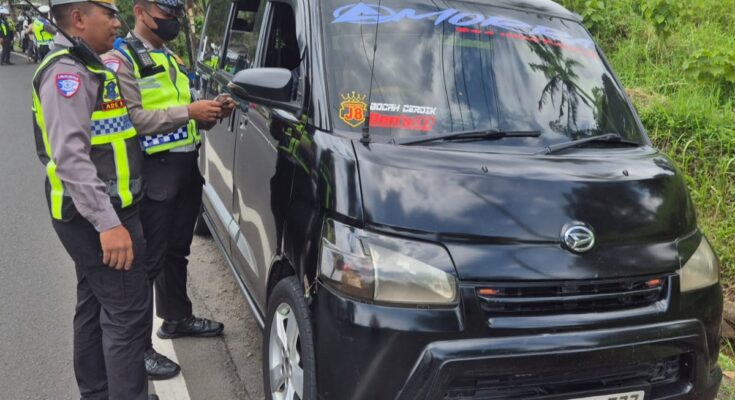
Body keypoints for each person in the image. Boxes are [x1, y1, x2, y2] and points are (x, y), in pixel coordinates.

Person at [102, 0, 232, 381]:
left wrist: (210, 111)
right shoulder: (121, 59)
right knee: (147, 261)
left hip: (185, 166)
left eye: (176, 13)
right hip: (154, 170)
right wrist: (189, 112)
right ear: (140, 12)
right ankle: (138, 349)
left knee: (178, 250)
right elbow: (133, 118)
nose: (173, 19)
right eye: (166, 12)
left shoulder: (169, 57)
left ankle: (176, 317)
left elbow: (183, 111)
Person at [31, 0, 155, 398]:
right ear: (79, 19)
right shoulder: (67, 73)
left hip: (94, 209)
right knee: (127, 313)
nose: (119, 22)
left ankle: (98, 391)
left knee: (95, 302)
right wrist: (108, 223)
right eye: (110, 13)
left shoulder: (87, 64)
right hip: (98, 213)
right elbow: (70, 158)